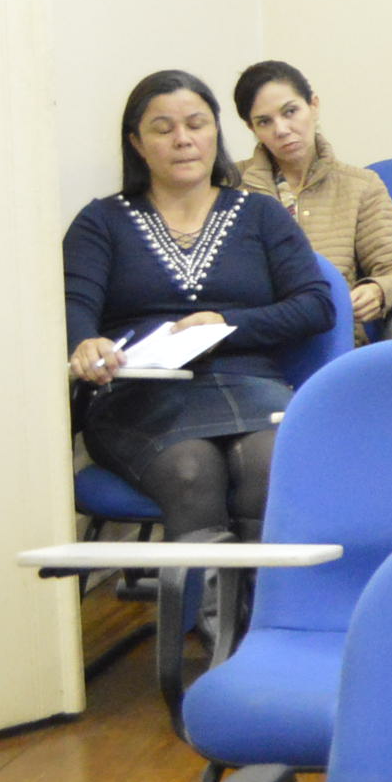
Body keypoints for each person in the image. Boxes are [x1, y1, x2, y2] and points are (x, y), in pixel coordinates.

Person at [64, 71, 337, 541]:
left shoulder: (260, 214)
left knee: (268, 465)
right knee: (192, 472)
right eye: (163, 128)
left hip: (250, 384)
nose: (183, 140)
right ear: (136, 142)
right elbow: (73, 303)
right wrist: (85, 342)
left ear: (216, 132)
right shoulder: (101, 222)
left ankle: (260, 613)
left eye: (196, 124)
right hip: (140, 394)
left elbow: (315, 307)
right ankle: (200, 616)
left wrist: (227, 323)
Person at [231, 59, 392, 339]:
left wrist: (379, 290)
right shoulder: (229, 186)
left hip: (335, 338)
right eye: (264, 121)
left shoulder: (359, 186)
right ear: (251, 128)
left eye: (290, 111)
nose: (281, 129)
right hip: (256, 342)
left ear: (314, 105)